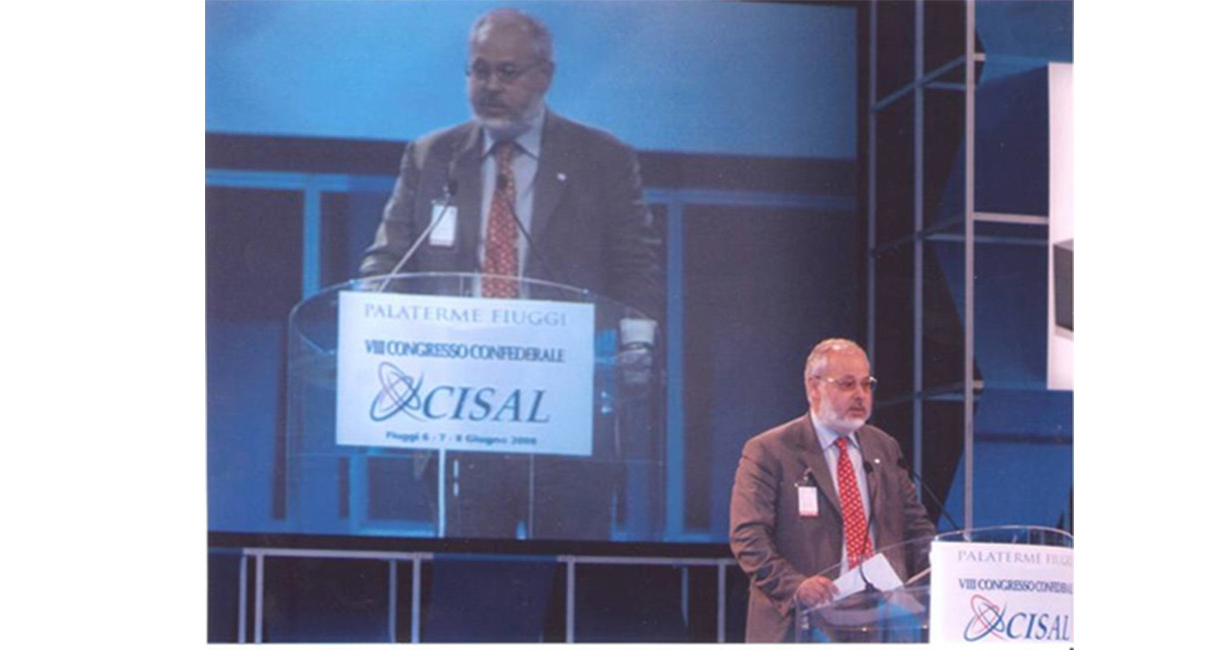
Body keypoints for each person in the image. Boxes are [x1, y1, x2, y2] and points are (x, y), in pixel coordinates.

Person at [357, 8, 663, 540]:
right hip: (459, 417)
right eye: (479, 71)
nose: (491, 86)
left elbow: (636, 270)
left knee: (569, 580)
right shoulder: (433, 156)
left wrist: (636, 345)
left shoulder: (602, 158)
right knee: (473, 581)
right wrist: (372, 310)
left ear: (545, 75)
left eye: (507, 72)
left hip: (566, 414)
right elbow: (386, 263)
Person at [729, 338, 937, 642]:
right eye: (847, 384)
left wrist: (944, 571)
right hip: (804, 623)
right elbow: (748, 538)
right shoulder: (770, 451)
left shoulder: (884, 447)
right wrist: (796, 586)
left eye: (866, 385)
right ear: (813, 387)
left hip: (882, 621)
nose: (860, 395)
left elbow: (915, 526)